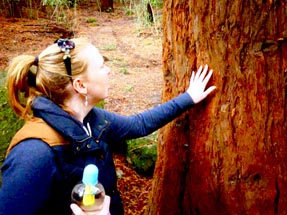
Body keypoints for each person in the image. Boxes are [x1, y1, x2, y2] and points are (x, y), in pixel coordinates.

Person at [0, 38, 216, 215]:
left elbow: (138, 125)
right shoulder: (34, 154)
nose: (109, 70)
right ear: (80, 85)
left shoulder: (91, 120)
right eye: (101, 65)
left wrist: (188, 97)